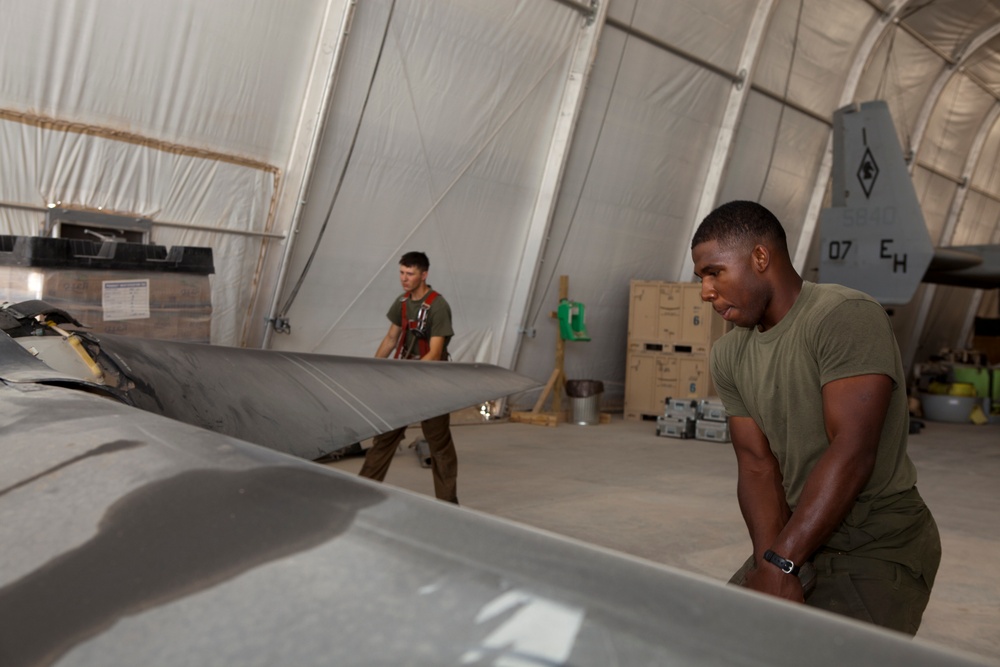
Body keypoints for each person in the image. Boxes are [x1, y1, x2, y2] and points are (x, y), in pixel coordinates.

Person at [690, 200, 941, 635]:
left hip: (877, 539)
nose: (705, 291)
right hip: (797, 534)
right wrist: (773, 564)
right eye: (702, 278)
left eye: (715, 272)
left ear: (760, 258)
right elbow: (756, 465)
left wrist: (783, 561)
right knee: (716, 643)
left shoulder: (844, 316)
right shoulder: (729, 353)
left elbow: (852, 451)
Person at [358, 251, 459, 504]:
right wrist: (371, 369)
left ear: (424, 275)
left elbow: (435, 353)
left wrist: (406, 378)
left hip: (431, 383)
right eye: (402, 273)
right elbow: (391, 339)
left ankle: (448, 504)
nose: (404, 279)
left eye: (410, 274)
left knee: (439, 446)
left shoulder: (438, 306)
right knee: (383, 440)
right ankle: (360, 495)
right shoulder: (402, 303)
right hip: (403, 380)